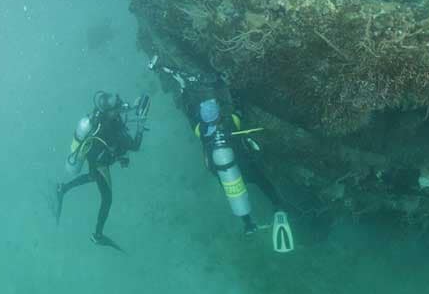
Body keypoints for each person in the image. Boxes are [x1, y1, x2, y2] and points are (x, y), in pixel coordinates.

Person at [147, 55, 293, 251]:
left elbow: (189, 111)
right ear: (217, 113)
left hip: (221, 170)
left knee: (234, 192)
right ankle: (277, 206)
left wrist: (183, 88)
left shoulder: (200, 130)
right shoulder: (231, 122)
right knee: (262, 182)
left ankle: (248, 223)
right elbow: (240, 109)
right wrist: (228, 88)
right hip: (243, 164)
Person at [55, 91, 149, 251]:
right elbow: (135, 146)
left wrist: (133, 106)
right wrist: (140, 126)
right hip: (100, 162)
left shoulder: (101, 115)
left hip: (93, 156)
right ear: (109, 110)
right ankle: (97, 235)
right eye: (116, 105)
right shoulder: (111, 128)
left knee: (92, 176)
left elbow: (119, 111)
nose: (119, 104)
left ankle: (62, 188)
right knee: (107, 199)